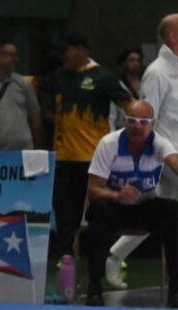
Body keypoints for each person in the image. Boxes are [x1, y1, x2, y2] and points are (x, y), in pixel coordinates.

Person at [106, 14, 178, 292]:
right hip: (170, 154)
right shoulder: (157, 72)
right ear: (172, 37)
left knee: (160, 210)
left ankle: (113, 256)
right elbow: (145, 118)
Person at [84, 100, 178, 307]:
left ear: (152, 124)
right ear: (125, 122)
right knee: (99, 211)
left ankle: (175, 289)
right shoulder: (109, 144)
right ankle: (95, 287)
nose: (138, 126)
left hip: (146, 206)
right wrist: (117, 195)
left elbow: (174, 159)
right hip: (115, 206)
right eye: (132, 121)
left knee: (174, 211)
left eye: (144, 122)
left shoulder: (159, 143)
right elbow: (94, 190)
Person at [37, 33, 132, 258]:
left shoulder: (102, 77)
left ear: (81, 50)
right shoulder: (56, 77)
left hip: (94, 159)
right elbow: (42, 95)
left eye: (67, 50)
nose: (64, 56)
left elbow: (128, 104)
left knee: (99, 211)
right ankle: (66, 256)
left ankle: (102, 255)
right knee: (66, 212)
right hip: (64, 158)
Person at [109, 48, 143, 131]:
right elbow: (111, 117)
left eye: (138, 60)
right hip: (123, 129)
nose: (135, 63)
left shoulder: (146, 83)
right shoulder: (118, 86)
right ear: (124, 63)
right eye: (131, 60)